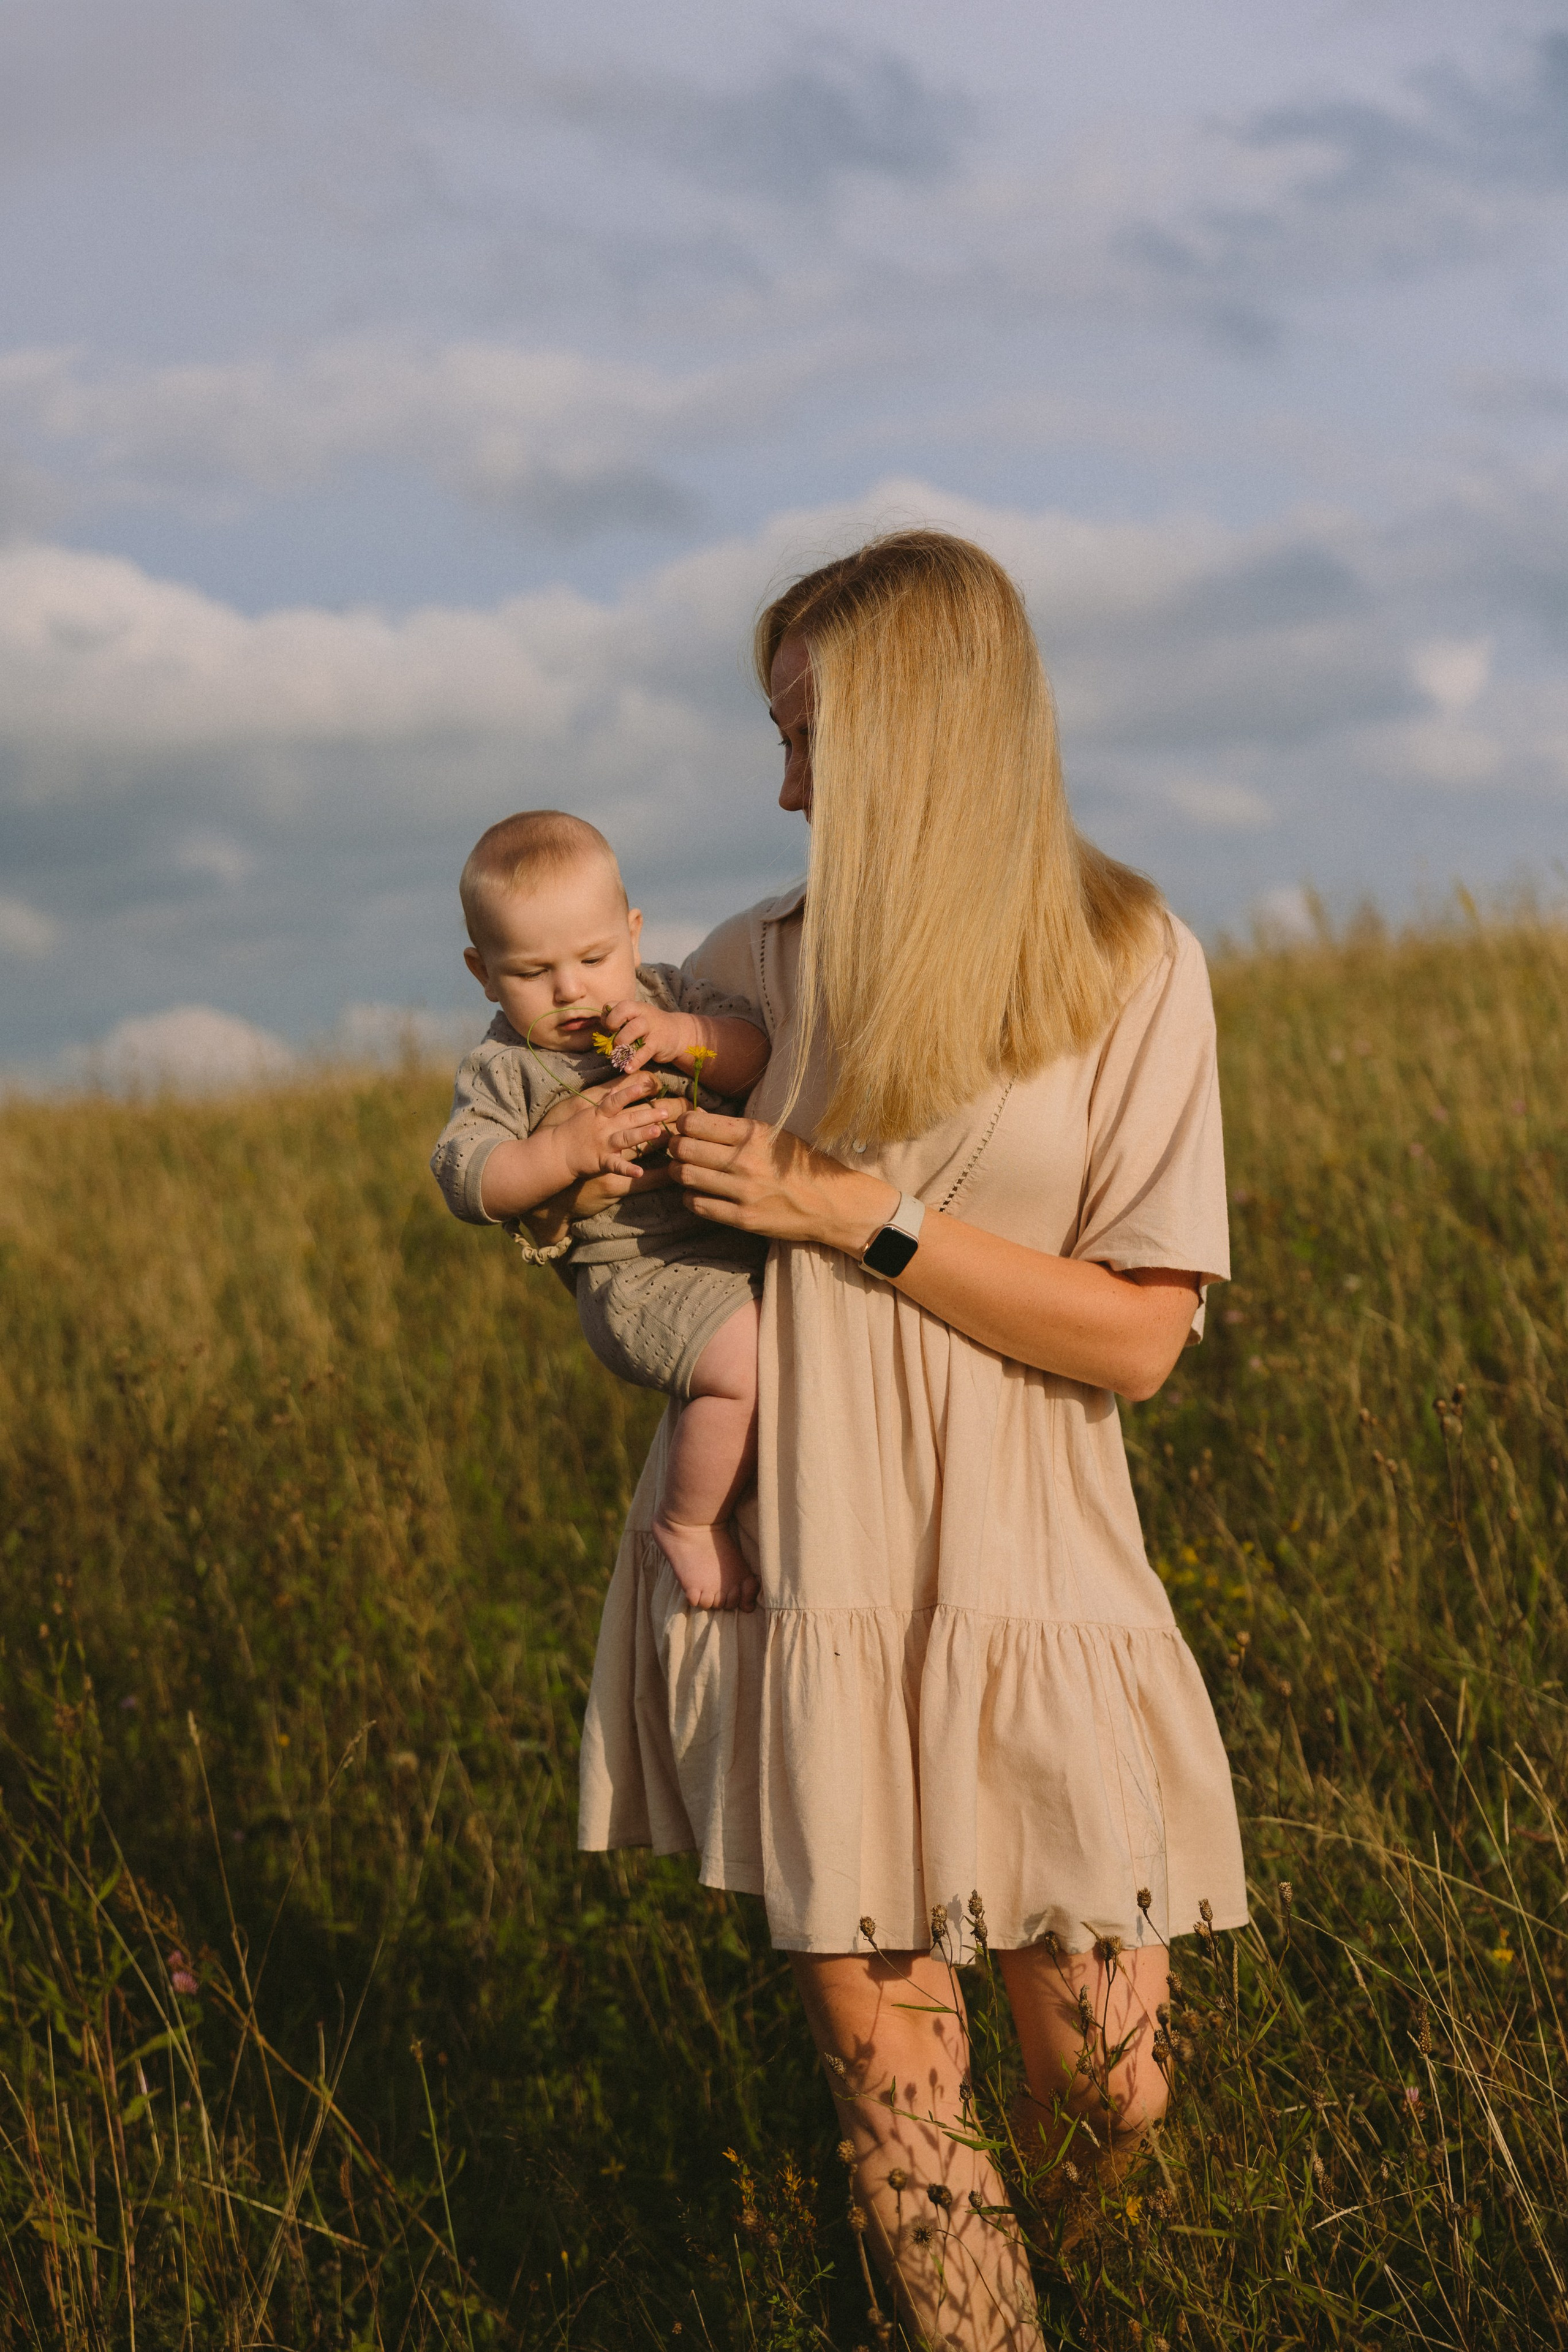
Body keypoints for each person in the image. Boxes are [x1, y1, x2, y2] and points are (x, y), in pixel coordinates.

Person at [545, 532, 1247, 2348]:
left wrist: (857, 1212)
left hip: (1036, 1565)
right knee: (901, 2105)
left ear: (927, 732)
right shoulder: (743, 973)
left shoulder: (1127, 965)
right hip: (812, 1559)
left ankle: (1090, 2286)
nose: (779, 783)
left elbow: (1143, 1337)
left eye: (808, 736)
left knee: (1109, 2085)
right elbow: (619, 1241)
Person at [429, 810, 772, 1608]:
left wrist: (684, 1033)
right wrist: (563, 1153)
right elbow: (466, 1173)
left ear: (633, 930)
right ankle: (690, 1523)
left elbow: (756, 1050)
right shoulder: (508, 1069)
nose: (571, 989)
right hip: (639, 1280)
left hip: (733, 1245)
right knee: (746, 1370)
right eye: (532, 971)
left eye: (593, 956)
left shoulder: (664, 997)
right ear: (484, 973)